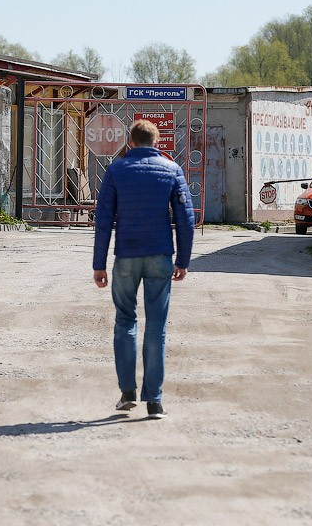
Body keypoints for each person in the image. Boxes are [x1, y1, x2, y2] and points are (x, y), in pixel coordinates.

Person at [93, 119, 195, 419]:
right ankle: (155, 401)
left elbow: (103, 220)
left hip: (126, 256)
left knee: (125, 321)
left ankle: (127, 394)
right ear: (157, 141)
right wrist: (183, 260)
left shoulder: (116, 170)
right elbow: (186, 219)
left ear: (132, 142)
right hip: (160, 256)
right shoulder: (171, 170)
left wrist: (99, 263)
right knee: (156, 328)